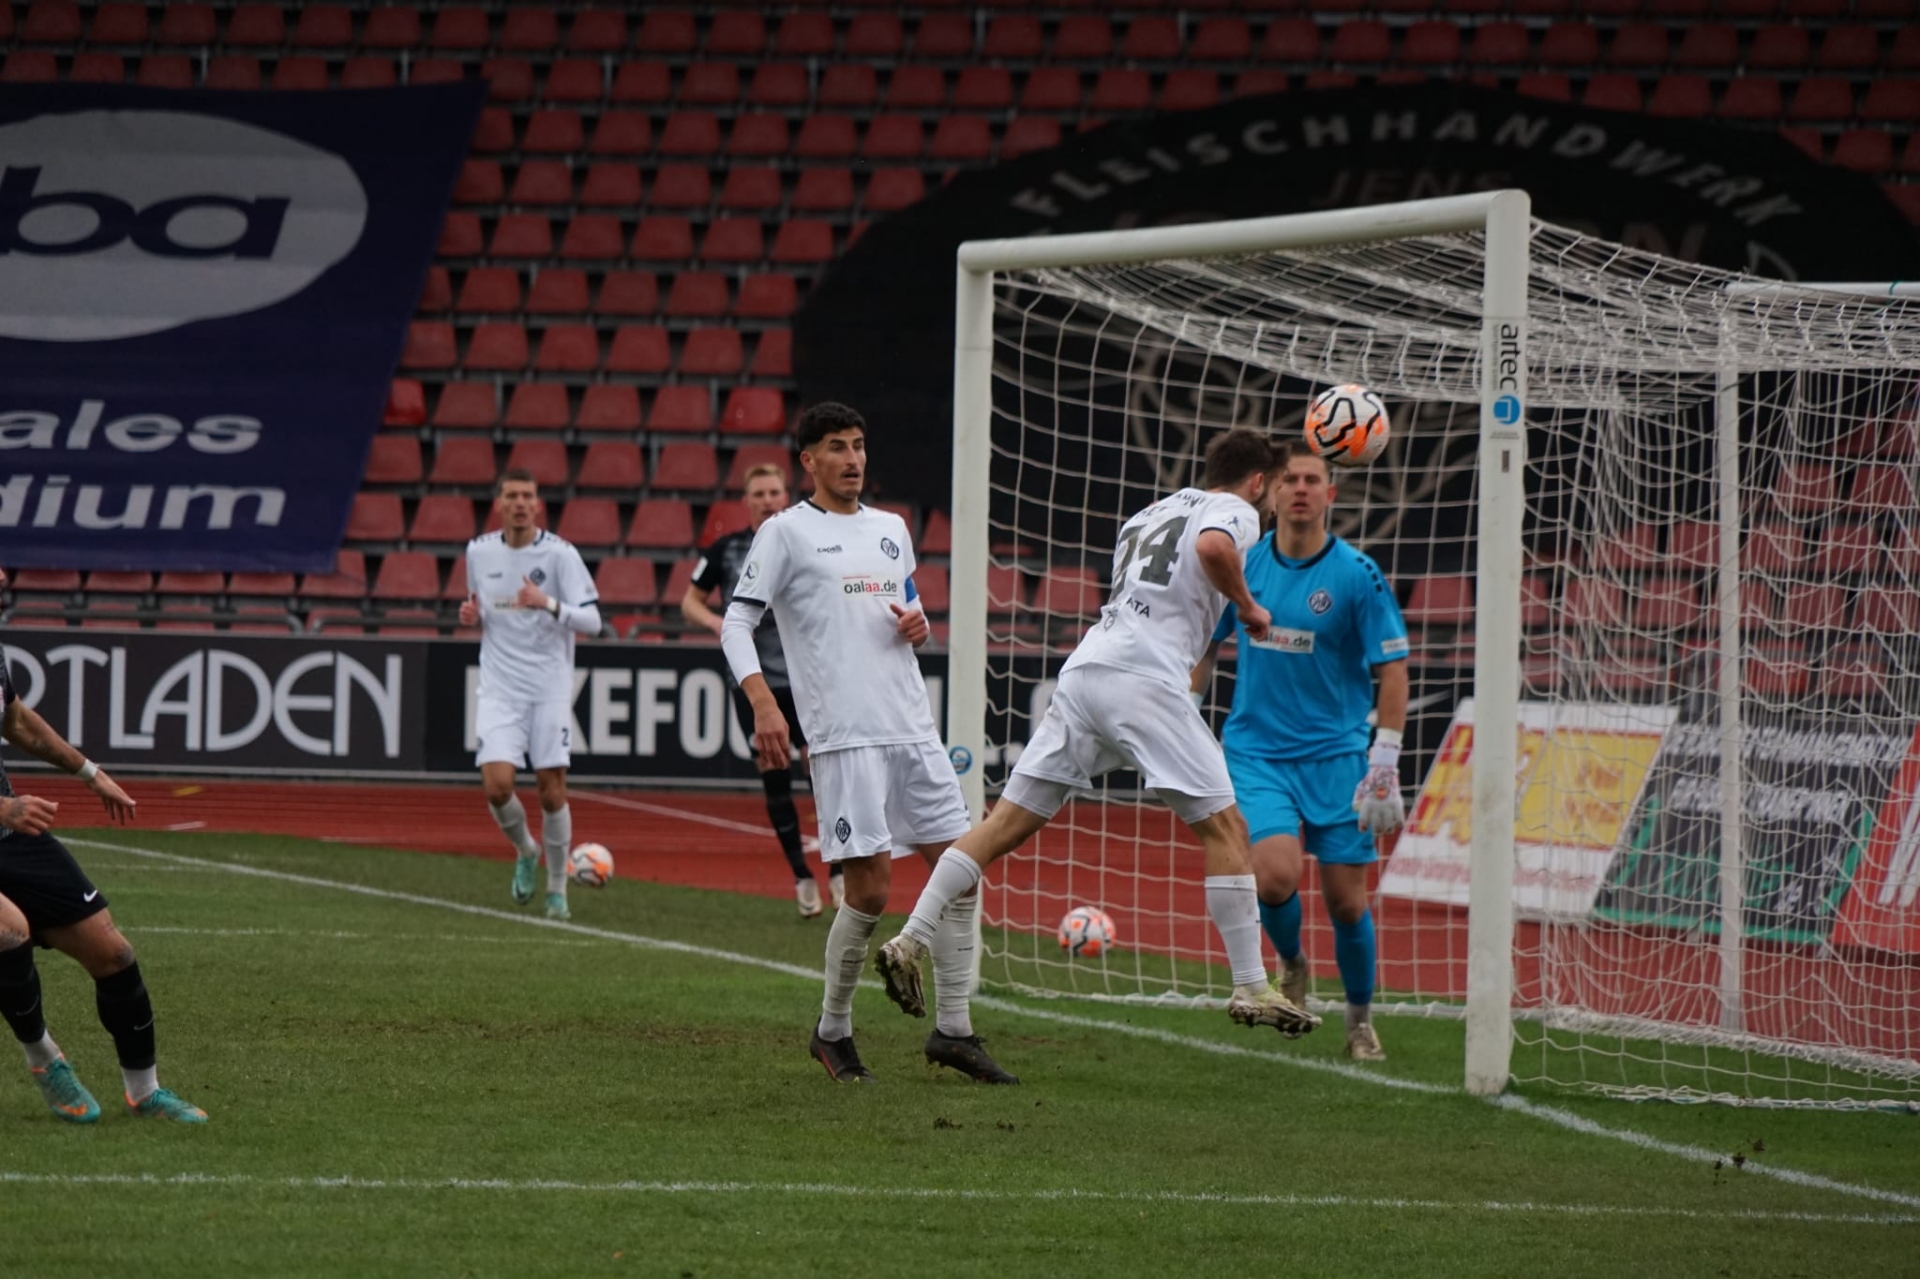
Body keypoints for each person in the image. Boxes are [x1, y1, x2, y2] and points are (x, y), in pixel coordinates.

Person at [875, 430, 1322, 1040]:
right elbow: (1216, 548)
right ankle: (1249, 985)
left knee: (1004, 823)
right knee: (1226, 828)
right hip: (1143, 678)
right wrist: (1246, 605)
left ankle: (909, 939)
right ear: (1256, 482)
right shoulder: (1235, 512)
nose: (1271, 508)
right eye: (1271, 492)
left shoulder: (1149, 512)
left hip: (1087, 669)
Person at [721, 401, 1015, 1085]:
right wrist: (764, 701)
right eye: (836, 447)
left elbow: (907, 607)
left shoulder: (891, 529)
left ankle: (955, 1029)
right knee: (871, 892)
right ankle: (833, 1030)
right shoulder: (785, 533)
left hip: (912, 724)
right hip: (844, 734)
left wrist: (920, 626)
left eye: (858, 444)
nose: (853, 458)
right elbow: (737, 625)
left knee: (961, 868)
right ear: (808, 461)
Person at [1190, 440, 1409, 1061]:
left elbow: (1393, 669)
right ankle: (1292, 964)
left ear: (1331, 495)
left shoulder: (1358, 575)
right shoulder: (1245, 563)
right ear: (1273, 491)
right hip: (1258, 752)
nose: (1302, 489)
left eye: (1314, 479)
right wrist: (1181, 706)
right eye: (1291, 480)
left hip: (1338, 758)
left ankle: (1360, 1021)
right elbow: (1205, 646)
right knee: (1276, 876)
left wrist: (1384, 761)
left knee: (1346, 902)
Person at [0, 592, 206, 1123]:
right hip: (5, 816)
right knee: (9, 930)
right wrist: (4, 806)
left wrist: (90, 773)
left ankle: (145, 1092)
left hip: (8, 831)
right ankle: (45, 1061)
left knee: (113, 953)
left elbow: (16, 721)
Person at [682, 462, 841, 919]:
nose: (769, 500)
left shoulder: (805, 538)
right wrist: (719, 622)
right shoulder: (727, 549)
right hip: (753, 683)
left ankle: (839, 873)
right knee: (774, 776)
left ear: (785, 495)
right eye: (761, 494)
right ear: (747, 501)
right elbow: (689, 601)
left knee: (823, 772)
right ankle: (801, 877)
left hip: (807, 677)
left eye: (775, 492)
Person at [459, 469, 602, 923]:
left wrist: (549, 604)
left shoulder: (560, 555)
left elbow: (594, 622)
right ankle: (525, 849)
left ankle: (557, 891)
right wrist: (471, 613)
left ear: (538, 504)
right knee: (497, 784)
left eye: (528, 496)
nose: (520, 503)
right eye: (512, 496)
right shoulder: (478, 552)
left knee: (550, 790)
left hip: (549, 688)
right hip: (500, 687)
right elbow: (481, 604)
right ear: (498, 503)